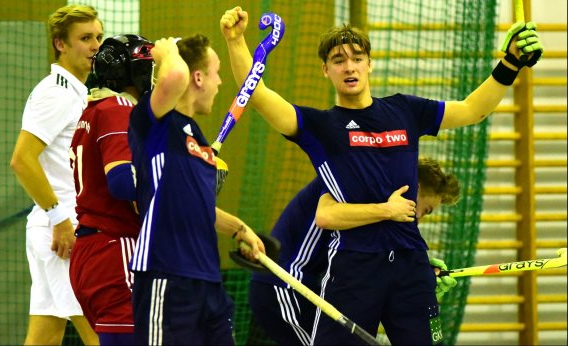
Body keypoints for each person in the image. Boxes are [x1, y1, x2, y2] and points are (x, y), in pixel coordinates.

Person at [220, 6, 543, 345]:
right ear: (325, 70)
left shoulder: (405, 110)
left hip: (411, 265)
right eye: (338, 60)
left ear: (369, 64)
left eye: (357, 58)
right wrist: (236, 40)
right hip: (354, 270)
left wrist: (510, 63)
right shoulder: (321, 127)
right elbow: (255, 94)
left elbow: (473, 110)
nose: (349, 66)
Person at [127, 35, 266, 344]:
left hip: (207, 279)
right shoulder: (153, 124)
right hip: (166, 275)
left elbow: (195, 205)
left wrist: (239, 229)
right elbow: (175, 75)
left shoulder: (196, 136)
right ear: (198, 77)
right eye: (215, 72)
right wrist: (168, 50)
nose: (219, 83)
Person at [249, 157, 460, 345]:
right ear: (413, 186)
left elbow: (373, 258)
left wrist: (415, 270)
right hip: (286, 285)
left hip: (310, 292)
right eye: (425, 209)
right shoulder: (361, 185)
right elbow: (326, 219)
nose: (419, 217)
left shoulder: (378, 204)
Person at [9, 4, 103, 345]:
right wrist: (59, 218)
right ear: (60, 43)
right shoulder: (57, 92)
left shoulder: (76, 92)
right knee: (100, 335)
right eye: (85, 38)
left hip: (53, 232)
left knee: (44, 337)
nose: (95, 46)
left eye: (98, 37)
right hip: (63, 235)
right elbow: (22, 159)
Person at [68, 34, 154, 345]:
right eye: (149, 68)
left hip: (91, 251)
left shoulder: (92, 110)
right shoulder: (118, 107)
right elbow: (122, 182)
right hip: (115, 249)